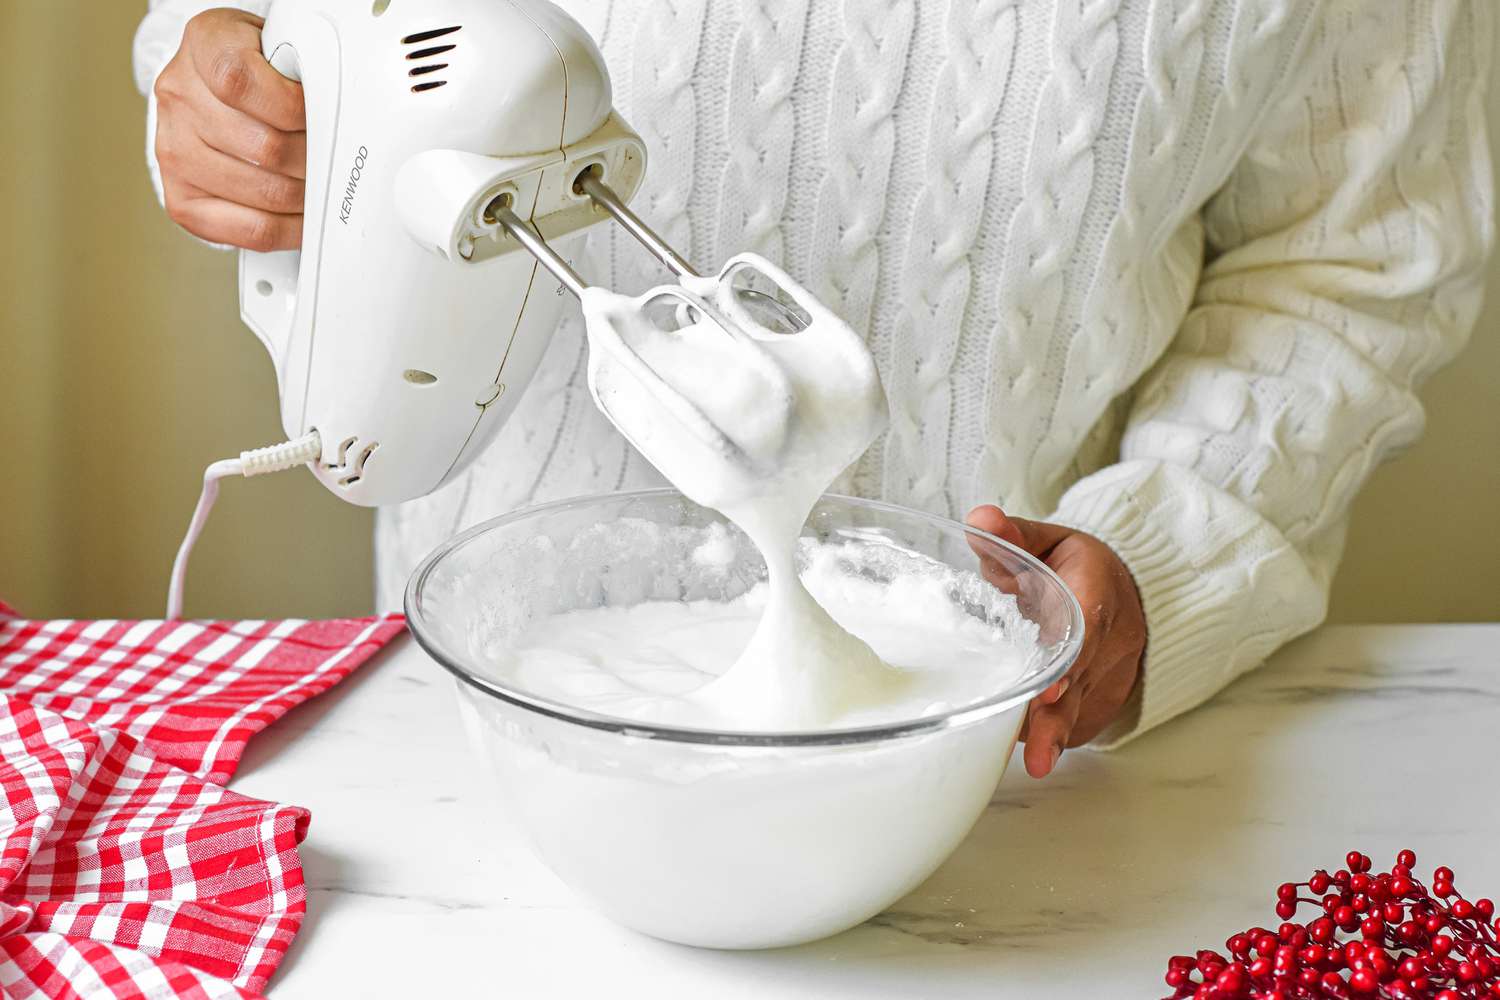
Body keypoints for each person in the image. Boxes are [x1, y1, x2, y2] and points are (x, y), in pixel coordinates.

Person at [134, 0, 1494, 779]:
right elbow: (242, 44)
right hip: (485, 732)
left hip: (1012, 764)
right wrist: (225, 106)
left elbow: (1355, 258)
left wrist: (1165, 552)